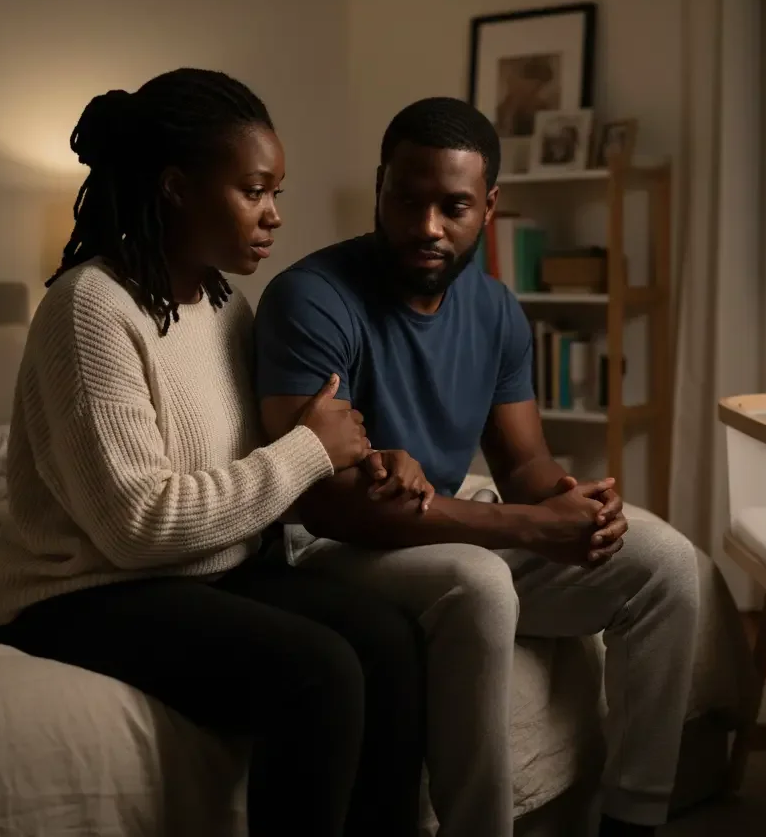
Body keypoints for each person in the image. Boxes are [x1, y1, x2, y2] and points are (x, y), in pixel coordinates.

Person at [0, 68, 433, 837]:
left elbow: (268, 464)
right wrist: (306, 450)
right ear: (177, 188)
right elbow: (137, 527)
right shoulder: (89, 310)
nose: (274, 216)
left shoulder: (226, 306)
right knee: (316, 672)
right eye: (254, 191)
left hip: (214, 567)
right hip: (81, 593)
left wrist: (370, 458)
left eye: (276, 193)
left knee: (390, 637)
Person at [252, 96, 702, 837]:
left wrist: (568, 502)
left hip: (446, 521)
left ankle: (632, 819)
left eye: (453, 206)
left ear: (489, 207)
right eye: (408, 199)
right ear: (380, 188)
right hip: (331, 552)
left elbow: (523, 462)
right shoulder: (311, 300)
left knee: (666, 564)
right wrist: (526, 525)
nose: (427, 226)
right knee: (482, 581)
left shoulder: (495, 309)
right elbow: (329, 503)